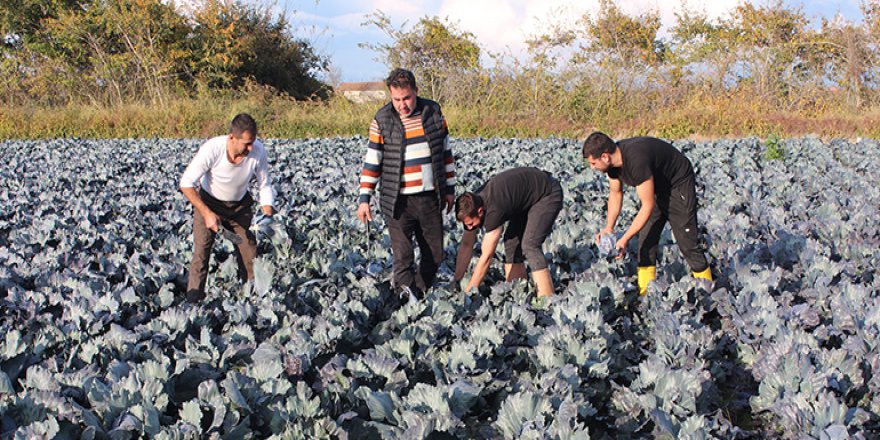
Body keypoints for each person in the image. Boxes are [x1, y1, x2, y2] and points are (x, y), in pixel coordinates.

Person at [355, 68, 456, 299]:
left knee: (435, 254)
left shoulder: (433, 113)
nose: (402, 105)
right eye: (397, 99)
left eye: (407, 98)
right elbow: (373, 161)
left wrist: (449, 189)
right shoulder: (382, 120)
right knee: (403, 257)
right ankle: (405, 304)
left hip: (429, 197)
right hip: (398, 201)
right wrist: (364, 199)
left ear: (416, 92)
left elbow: (446, 154)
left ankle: (417, 293)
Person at [582, 131, 712, 295]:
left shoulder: (636, 161)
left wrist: (624, 239)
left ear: (605, 157)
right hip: (658, 187)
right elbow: (616, 194)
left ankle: (708, 292)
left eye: (593, 163)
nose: (592, 168)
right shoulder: (612, 166)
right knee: (646, 241)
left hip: (678, 184)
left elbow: (647, 206)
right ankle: (645, 296)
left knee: (688, 244)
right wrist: (609, 227)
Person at [179, 113, 275, 302]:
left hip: (239, 209)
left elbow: (265, 185)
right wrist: (207, 213)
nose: (250, 148)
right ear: (232, 137)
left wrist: (267, 214)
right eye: (246, 143)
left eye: (252, 143)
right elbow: (186, 183)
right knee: (202, 252)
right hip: (209, 205)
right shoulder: (212, 149)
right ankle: (193, 301)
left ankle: (252, 299)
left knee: (248, 251)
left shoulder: (258, 151)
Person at [453, 167, 563, 298]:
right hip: (526, 196)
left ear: (480, 211)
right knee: (511, 243)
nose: (469, 227)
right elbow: (466, 244)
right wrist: (456, 279)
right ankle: (519, 292)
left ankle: (547, 299)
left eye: (471, 224)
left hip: (547, 193)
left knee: (530, 244)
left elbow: (487, 257)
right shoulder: (471, 203)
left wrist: (469, 292)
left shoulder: (493, 210)